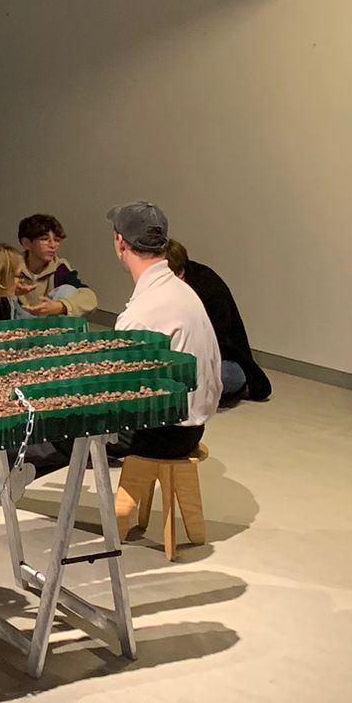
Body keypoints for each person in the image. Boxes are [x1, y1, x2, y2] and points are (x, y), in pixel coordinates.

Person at [105, 202, 224, 533]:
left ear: (120, 242)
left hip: (162, 433)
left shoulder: (142, 313)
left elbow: (119, 395)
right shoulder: (183, 291)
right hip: (193, 426)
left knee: (63, 427)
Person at [165, 240, 270, 404]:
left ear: (180, 273)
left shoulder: (209, 289)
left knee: (226, 375)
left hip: (220, 358)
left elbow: (218, 340)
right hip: (181, 356)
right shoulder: (164, 289)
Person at [14, 214, 99, 318]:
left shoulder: (60, 268)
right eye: (45, 239)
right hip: (17, 320)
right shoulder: (11, 266)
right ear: (26, 243)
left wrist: (61, 306)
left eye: (57, 240)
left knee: (68, 289)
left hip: (47, 320)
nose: (53, 245)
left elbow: (90, 298)